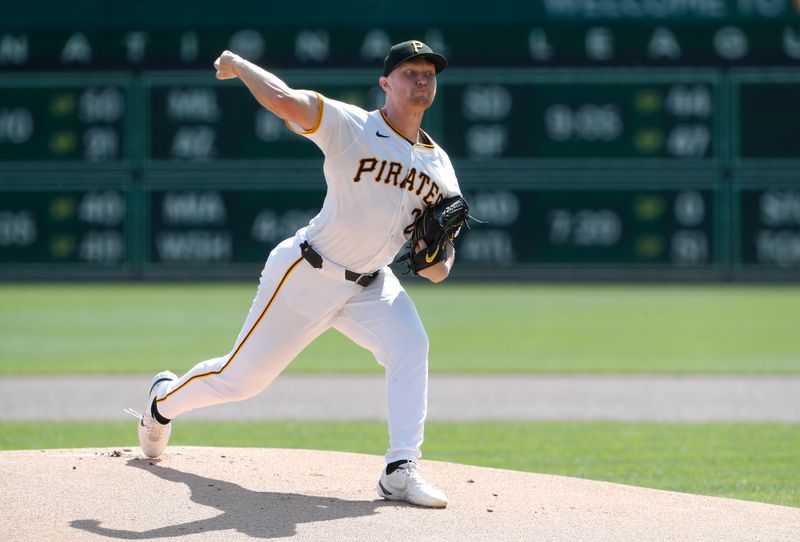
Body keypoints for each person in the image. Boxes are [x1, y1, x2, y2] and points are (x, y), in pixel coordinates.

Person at [128, 40, 461, 508]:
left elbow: (441, 266)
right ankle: (162, 402)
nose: (422, 79)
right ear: (386, 83)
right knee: (241, 380)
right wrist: (240, 65)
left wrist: (436, 261)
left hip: (373, 283)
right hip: (308, 271)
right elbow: (285, 100)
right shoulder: (353, 126)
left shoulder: (440, 166)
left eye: (429, 72)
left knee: (412, 346)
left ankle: (400, 470)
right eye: (410, 72)